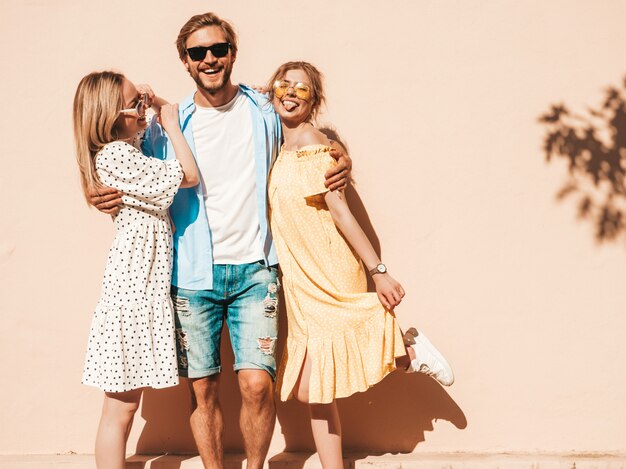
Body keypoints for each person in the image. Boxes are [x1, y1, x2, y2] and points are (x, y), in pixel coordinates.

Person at [87, 13, 352, 469]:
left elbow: (306, 132)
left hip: (257, 269)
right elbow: (108, 149)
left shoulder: (263, 109)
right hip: (191, 274)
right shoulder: (164, 127)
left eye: (218, 50)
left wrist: (341, 154)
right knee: (203, 389)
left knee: (256, 385)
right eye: (197, 53)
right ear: (185, 62)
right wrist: (93, 191)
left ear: (232, 53)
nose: (209, 59)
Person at [266, 61, 454, 469]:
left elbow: (342, 212)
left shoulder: (317, 150)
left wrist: (378, 271)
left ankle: (407, 352)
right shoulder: (281, 148)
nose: (291, 92)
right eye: (284, 84)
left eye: (302, 88)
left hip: (327, 269)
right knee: (315, 389)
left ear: (314, 100)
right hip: (300, 280)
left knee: (314, 387)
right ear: (272, 90)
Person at [73, 71, 199, 469]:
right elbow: (189, 175)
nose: (144, 110)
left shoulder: (126, 149)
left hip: (140, 288)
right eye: (136, 105)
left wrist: (150, 100)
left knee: (123, 406)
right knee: (120, 409)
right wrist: (173, 125)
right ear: (111, 116)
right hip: (131, 293)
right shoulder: (116, 156)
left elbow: (146, 120)